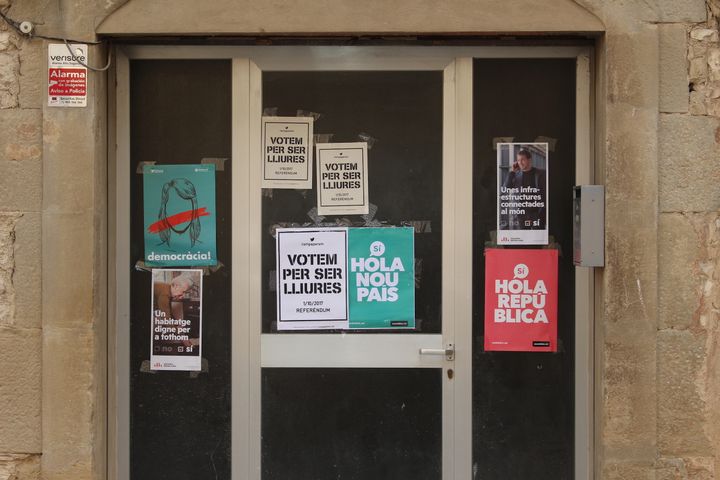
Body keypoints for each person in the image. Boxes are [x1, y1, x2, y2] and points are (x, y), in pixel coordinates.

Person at [502, 148, 546, 230]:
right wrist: (512, 172)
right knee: (522, 240)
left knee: (537, 240)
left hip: (537, 214)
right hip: (521, 215)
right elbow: (505, 189)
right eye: (518, 160)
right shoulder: (515, 175)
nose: (520, 163)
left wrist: (542, 212)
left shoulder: (541, 174)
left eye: (523, 160)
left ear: (529, 160)